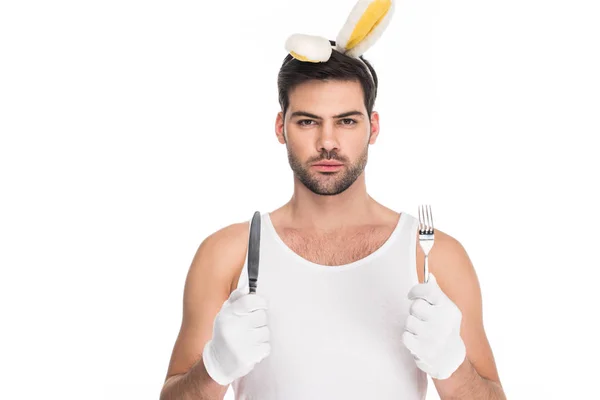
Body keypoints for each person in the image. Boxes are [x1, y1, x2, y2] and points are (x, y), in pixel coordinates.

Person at [159, 1, 506, 399]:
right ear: (280, 127)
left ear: (373, 127)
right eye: (307, 121)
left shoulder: (433, 255)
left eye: (347, 121)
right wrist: (215, 366)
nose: (327, 142)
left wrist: (451, 364)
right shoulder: (227, 254)